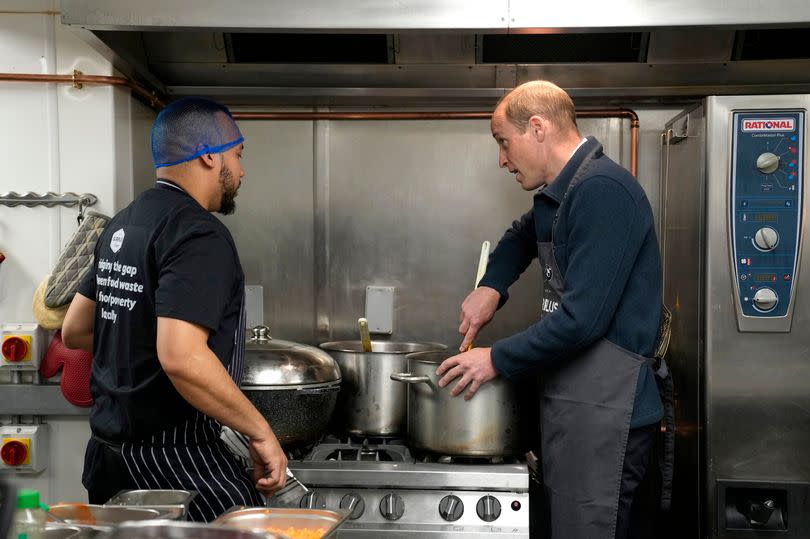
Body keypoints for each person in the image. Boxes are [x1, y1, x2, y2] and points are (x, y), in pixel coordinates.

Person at [436, 80, 665, 539]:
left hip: (610, 416)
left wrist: (494, 358)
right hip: (577, 408)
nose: (502, 159)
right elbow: (521, 236)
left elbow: (583, 320)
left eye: (504, 142)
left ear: (537, 127)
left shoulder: (604, 192)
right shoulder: (562, 193)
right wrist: (491, 288)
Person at [62, 96, 287, 522]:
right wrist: (261, 433)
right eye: (237, 155)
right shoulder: (198, 233)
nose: (241, 171)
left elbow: (75, 328)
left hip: (108, 461)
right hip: (173, 464)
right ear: (208, 157)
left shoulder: (125, 223)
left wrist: (152, 333)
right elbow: (181, 358)